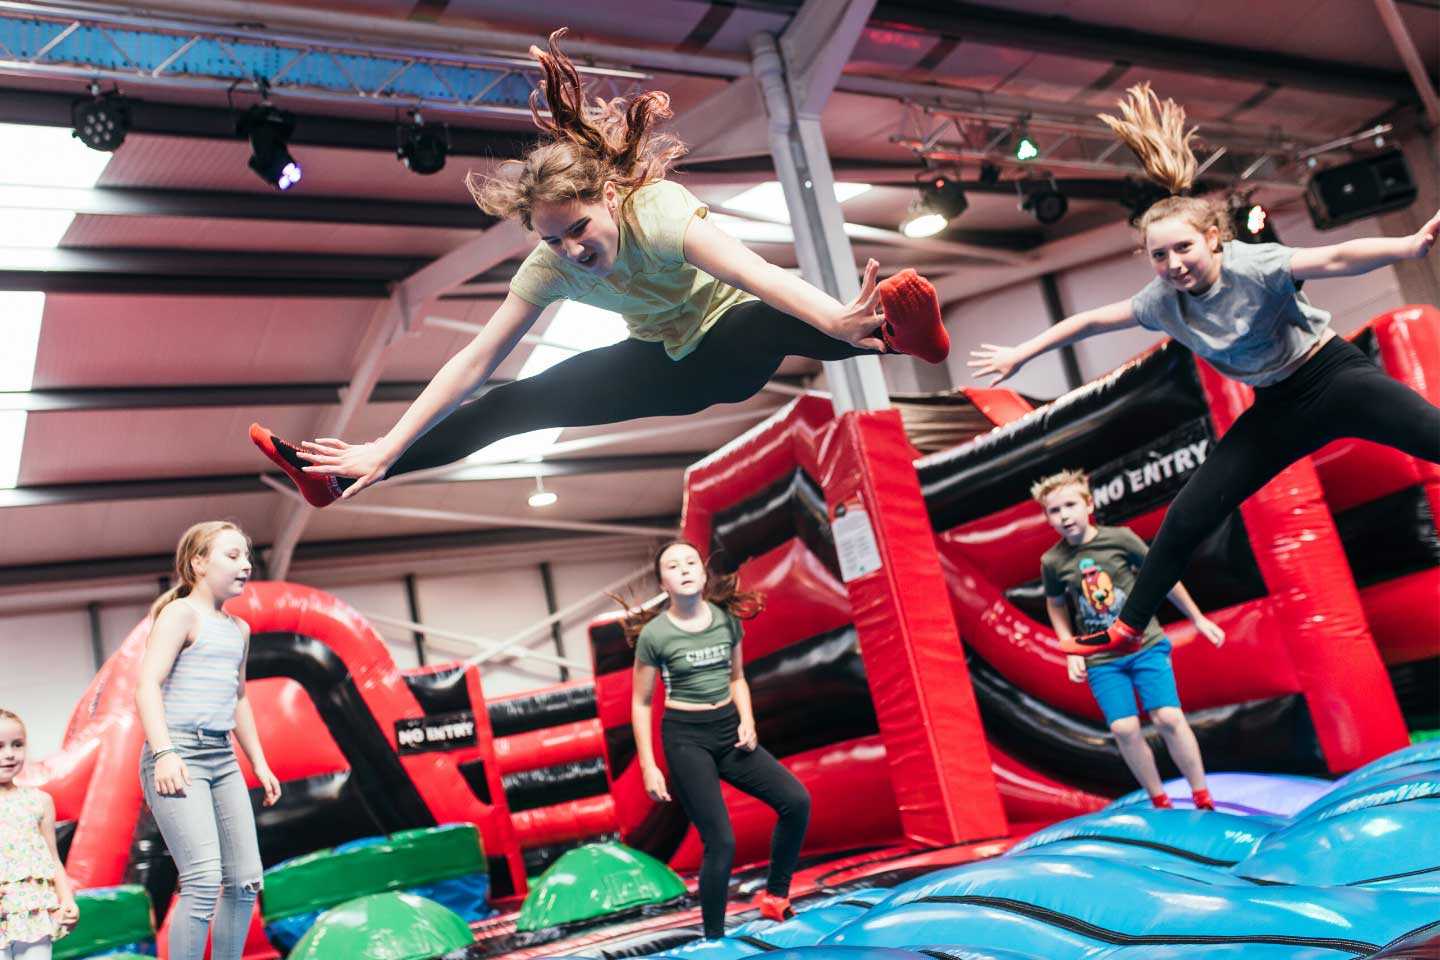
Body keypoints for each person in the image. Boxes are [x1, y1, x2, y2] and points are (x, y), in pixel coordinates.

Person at [250, 28, 948, 508]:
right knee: (508, 406)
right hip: (666, 367)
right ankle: (336, 484)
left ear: (609, 197)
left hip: (730, 338)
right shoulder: (549, 265)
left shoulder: (660, 213)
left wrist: (836, 318)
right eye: (554, 242)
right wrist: (387, 445)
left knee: (762, 323)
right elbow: (474, 361)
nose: (574, 252)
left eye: (580, 230)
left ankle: (890, 336)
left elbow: (757, 277)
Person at [972, 82, 1440, 653]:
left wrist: (1409, 247)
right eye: (1159, 256)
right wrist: (1022, 353)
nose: (1174, 264)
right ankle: (1125, 626)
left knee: (1431, 436)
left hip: (1334, 378)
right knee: (1189, 513)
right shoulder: (1161, 300)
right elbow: (1091, 322)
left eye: (1184, 249)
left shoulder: (1255, 264)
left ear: (1213, 241)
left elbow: (1335, 256)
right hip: (1278, 408)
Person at [621, 540, 809, 938]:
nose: (685, 569)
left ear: (704, 574)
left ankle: (775, 897)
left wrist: (747, 719)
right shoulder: (655, 636)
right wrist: (648, 765)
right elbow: (641, 702)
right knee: (721, 841)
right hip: (687, 739)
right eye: (674, 566)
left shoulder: (726, 622)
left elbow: (737, 677)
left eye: (691, 562)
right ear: (664, 582)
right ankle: (714, 940)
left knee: (796, 801)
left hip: (729, 731)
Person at [1034, 470, 1224, 810]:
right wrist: (1070, 648)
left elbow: (1163, 576)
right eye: (1054, 510)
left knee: (1168, 718)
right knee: (1123, 728)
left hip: (1143, 644)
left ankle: (1202, 794)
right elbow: (1056, 604)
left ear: (1088, 504)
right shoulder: (1053, 561)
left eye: (1070, 505)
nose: (1063, 516)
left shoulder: (1120, 539)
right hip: (1101, 656)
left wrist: (1197, 617)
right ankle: (1159, 799)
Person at [134, 522, 282, 960]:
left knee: (245, 878)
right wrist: (164, 754)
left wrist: (260, 763)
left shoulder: (239, 629)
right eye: (232, 556)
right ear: (198, 563)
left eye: (247, 557)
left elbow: (238, 699)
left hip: (222, 757)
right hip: (178, 751)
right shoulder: (180, 614)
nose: (246, 565)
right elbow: (146, 687)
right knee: (202, 878)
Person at [0, 710, 78, 960]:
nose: (10, 754)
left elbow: (52, 858)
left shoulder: (39, 801)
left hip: (33, 912)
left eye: (17, 744)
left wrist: (67, 899)